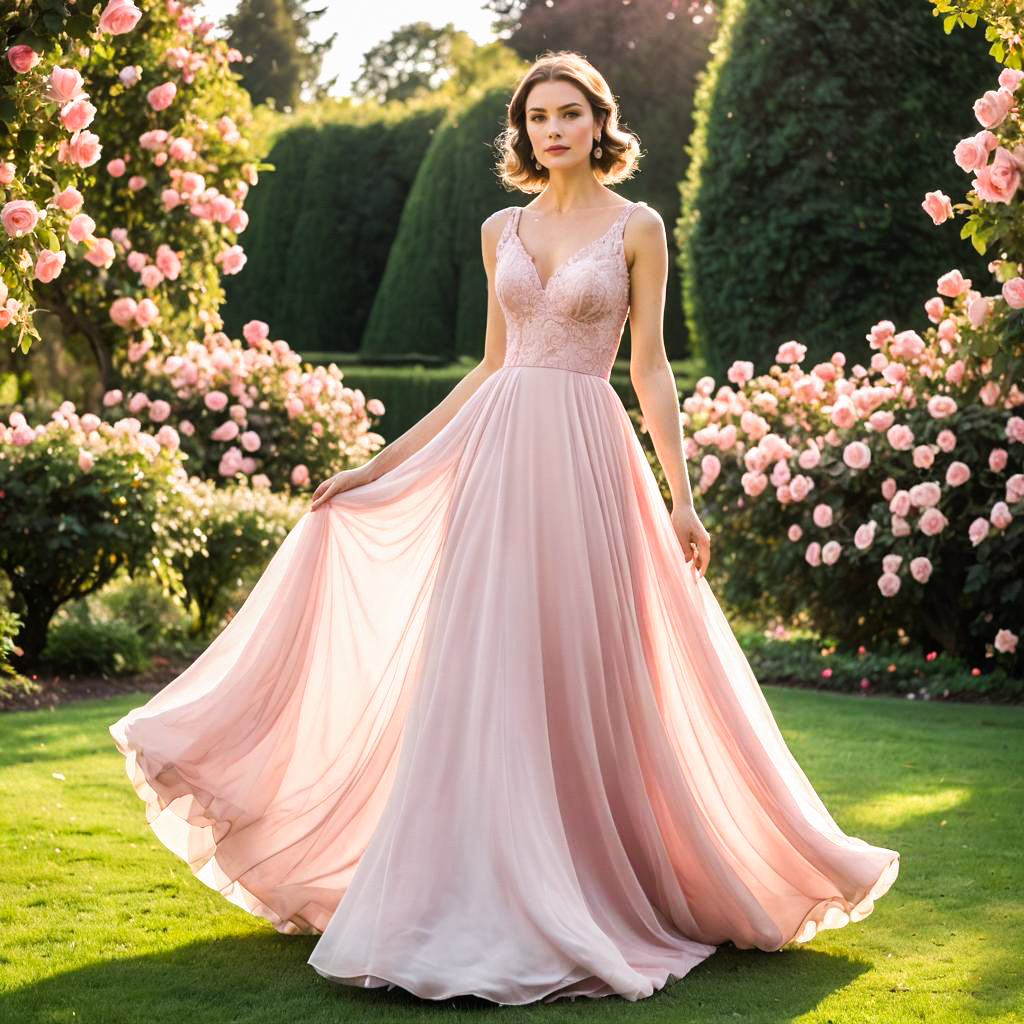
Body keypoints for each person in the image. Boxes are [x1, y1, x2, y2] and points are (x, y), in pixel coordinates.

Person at [109, 50, 900, 1006]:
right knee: (483, 661)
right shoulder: (500, 230)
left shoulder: (639, 226)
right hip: (498, 459)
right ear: (522, 134)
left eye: (568, 114)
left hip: (587, 457)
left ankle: (586, 877)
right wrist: (377, 463)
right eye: (536, 118)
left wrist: (683, 497)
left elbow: (649, 371)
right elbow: (489, 366)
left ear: (599, 124)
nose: (552, 130)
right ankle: (472, 880)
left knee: (579, 660)